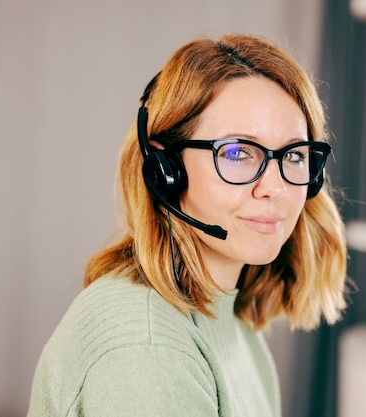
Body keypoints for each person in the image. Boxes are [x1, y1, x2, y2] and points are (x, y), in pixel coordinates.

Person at [27, 33, 347, 417]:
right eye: (237, 152)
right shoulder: (146, 349)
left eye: (294, 155)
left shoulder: (236, 326)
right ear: (166, 171)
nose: (275, 188)